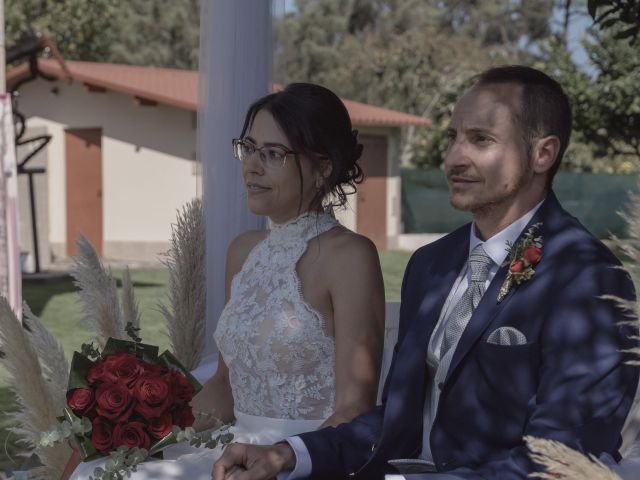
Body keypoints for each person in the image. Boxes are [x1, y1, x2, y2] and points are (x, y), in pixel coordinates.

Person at [212, 65, 639, 480]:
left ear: (543, 153)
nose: (454, 157)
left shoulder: (589, 280)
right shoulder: (432, 264)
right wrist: (288, 455)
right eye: (453, 137)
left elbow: (561, 459)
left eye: (481, 139)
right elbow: (396, 422)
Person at [65, 83, 385, 479]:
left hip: (298, 459)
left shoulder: (350, 256)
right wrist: (134, 433)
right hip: (231, 444)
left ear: (323, 167)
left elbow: (355, 410)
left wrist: (283, 459)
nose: (251, 166)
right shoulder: (243, 251)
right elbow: (225, 387)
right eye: (248, 148)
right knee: (97, 469)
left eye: (272, 154)